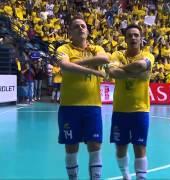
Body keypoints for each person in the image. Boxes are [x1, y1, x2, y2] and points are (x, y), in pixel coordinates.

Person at [56, 15, 110, 180]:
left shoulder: (96, 48)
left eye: (83, 26)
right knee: (71, 147)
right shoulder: (63, 49)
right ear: (70, 33)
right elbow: (64, 65)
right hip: (69, 106)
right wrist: (93, 70)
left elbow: (105, 58)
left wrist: (75, 64)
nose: (80, 28)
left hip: (92, 106)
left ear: (87, 31)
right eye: (76, 26)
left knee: (95, 146)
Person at [106, 24, 155, 180]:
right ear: (125, 39)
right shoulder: (117, 54)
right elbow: (113, 72)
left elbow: (141, 65)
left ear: (141, 38)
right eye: (130, 35)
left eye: (136, 35)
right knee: (121, 148)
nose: (133, 38)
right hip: (120, 110)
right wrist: (135, 73)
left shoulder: (148, 55)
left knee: (140, 147)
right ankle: (126, 175)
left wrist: (122, 70)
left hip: (140, 110)